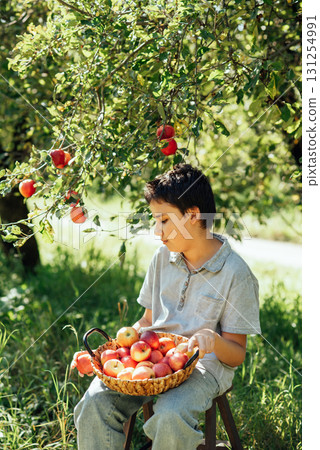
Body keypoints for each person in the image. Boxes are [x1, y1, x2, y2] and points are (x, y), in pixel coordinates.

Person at [72, 163, 261, 450]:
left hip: (203, 368)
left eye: (163, 220)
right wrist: (111, 353)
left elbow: (235, 355)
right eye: (155, 220)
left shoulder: (235, 273)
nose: (157, 231)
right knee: (94, 403)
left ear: (193, 215)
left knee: (171, 417)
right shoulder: (163, 257)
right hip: (153, 356)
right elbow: (146, 321)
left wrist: (214, 342)